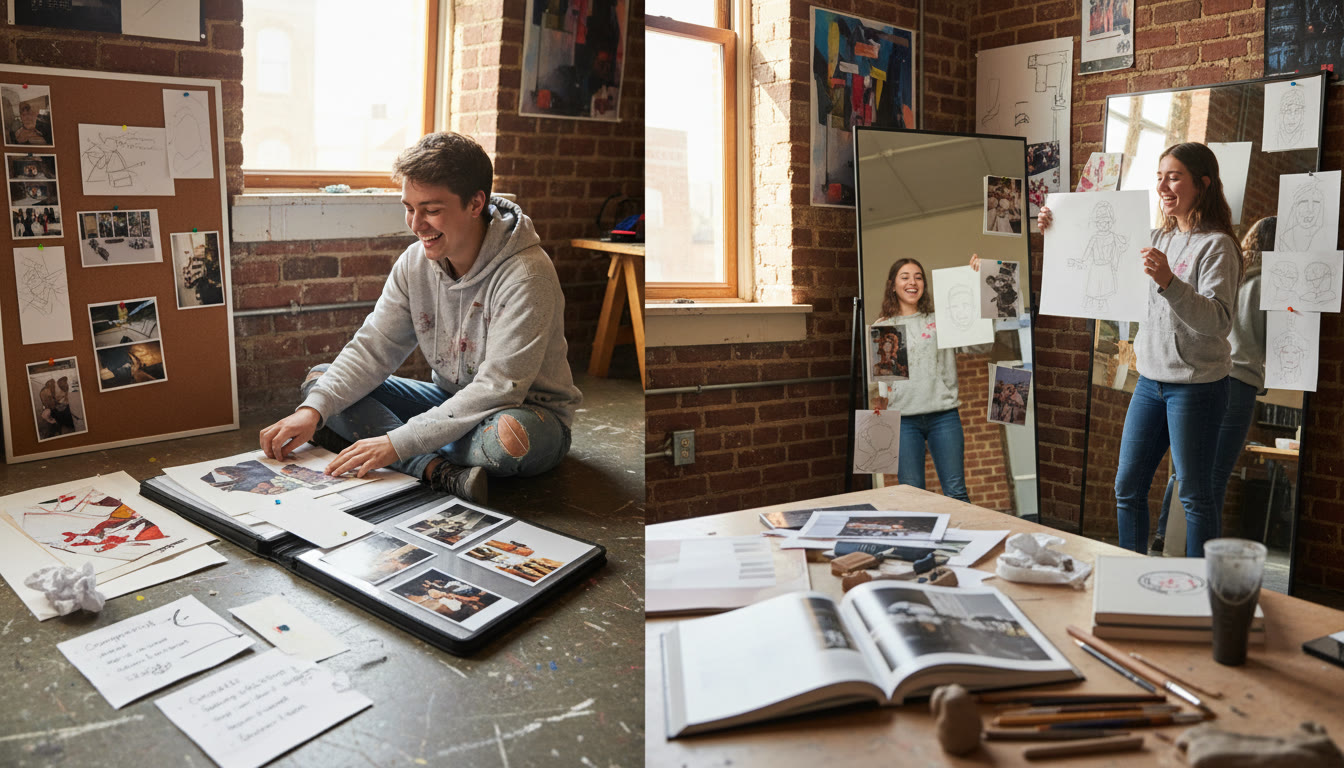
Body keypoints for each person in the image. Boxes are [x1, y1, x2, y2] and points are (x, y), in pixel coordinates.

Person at [258, 132, 582, 504]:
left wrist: (396, 441)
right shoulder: (414, 262)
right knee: (321, 384)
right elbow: (372, 348)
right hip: (448, 401)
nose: (416, 224)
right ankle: (437, 472)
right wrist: (313, 411)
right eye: (408, 207)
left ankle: (390, 447)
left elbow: (499, 388)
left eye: (430, 210)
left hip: (524, 415)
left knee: (509, 441)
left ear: (475, 203)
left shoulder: (527, 275)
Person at [1041, 141, 1239, 557]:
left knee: (1195, 495)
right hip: (1150, 382)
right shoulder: (1153, 236)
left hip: (1197, 387)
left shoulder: (1217, 246)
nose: (1163, 185)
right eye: (1159, 176)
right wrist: (1053, 224)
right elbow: (1091, 245)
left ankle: (1202, 590)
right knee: (1127, 487)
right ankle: (1132, 572)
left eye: (1174, 176)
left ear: (1202, 183)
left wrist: (1170, 283)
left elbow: (1219, 321)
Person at [1151, 217, 1274, 555]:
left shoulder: (1233, 274)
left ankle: (1165, 535)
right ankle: (1202, 560)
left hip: (1207, 374)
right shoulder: (1272, 286)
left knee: (1188, 472)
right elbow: (1270, 341)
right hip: (1239, 380)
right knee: (1213, 477)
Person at [870, 257, 986, 503]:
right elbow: (884, 387)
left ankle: (963, 542)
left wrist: (981, 282)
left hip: (943, 417)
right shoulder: (884, 327)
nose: (913, 282)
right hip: (904, 423)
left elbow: (979, 345)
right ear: (892, 285)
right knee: (912, 499)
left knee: (956, 493)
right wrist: (879, 422)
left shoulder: (940, 320)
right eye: (905, 277)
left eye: (918, 277)